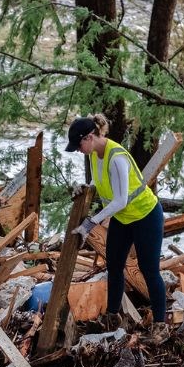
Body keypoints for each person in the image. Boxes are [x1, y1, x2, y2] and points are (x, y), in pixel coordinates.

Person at [65, 114, 167, 323]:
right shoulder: (93, 153)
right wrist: (85, 188)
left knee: (149, 271)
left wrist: (91, 222)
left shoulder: (117, 157)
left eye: (78, 145)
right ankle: (113, 316)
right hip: (123, 218)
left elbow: (120, 200)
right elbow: (99, 181)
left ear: (90, 137)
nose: (77, 150)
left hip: (146, 216)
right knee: (114, 265)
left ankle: (160, 324)